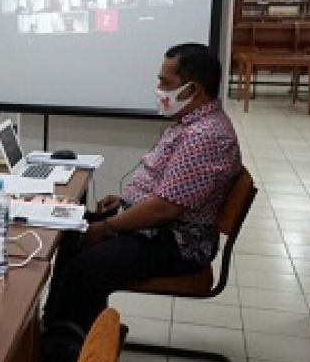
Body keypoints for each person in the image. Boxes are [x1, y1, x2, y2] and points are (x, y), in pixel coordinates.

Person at [42, 43, 241, 331]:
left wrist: (109, 226)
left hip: (178, 242)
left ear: (192, 90)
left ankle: (74, 356)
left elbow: (164, 209)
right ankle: (56, 335)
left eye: (165, 81)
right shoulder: (189, 122)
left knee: (85, 267)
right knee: (69, 231)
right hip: (160, 228)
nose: (158, 88)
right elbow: (165, 190)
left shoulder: (204, 136)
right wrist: (125, 202)